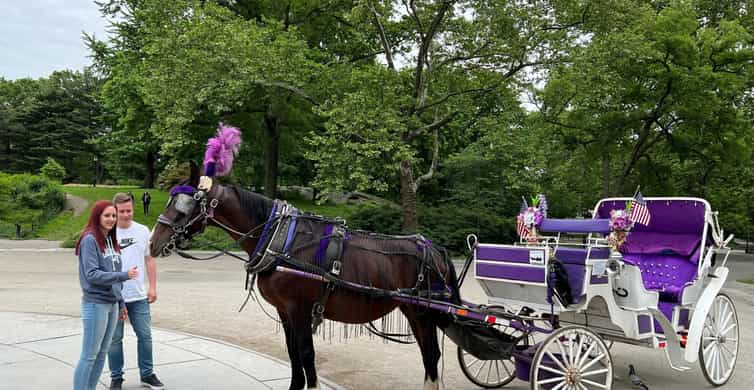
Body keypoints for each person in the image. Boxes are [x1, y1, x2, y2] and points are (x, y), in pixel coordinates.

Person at [73, 201, 138, 390]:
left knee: (102, 354)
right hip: (96, 303)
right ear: (97, 217)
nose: (111, 219)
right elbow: (92, 275)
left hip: (112, 304)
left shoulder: (110, 240)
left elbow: (114, 278)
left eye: (113, 216)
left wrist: (121, 303)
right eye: (107, 215)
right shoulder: (89, 239)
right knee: (89, 355)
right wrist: (124, 275)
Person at [108, 193, 165, 390]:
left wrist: (153, 287)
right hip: (114, 297)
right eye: (122, 211)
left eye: (129, 210)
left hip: (139, 295)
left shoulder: (142, 231)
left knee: (145, 335)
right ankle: (116, 377)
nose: (126, 215)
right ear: (114, 210)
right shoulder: (107, 232)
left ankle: (147, 375)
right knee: (114, 340)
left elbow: (149, 259)